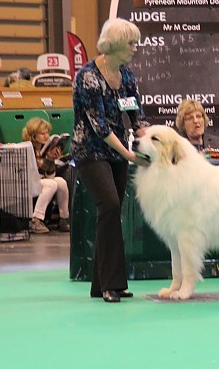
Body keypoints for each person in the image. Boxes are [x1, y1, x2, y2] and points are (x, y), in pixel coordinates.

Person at [70, 18, 149, 303]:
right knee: (110, 204)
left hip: (116, 152)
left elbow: (136, 115)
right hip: (90, 151)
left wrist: (151, 141)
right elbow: (99, 126)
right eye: (131, 43)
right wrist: (129, 154)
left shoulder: (126, 75)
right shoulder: (87, 77)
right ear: (114, 44)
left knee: (112, 214)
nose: (135, 48)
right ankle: (111, 284)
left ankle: (102, 283)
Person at [21, 117, 70, 234]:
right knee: (51, 184)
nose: (46, 136)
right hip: (27, 185)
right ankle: (36, 220)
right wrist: (47, 159)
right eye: (42, 133)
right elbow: (37, 177)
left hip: (41, 183)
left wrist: (51, 159)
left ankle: (64, 218)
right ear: (34, 134)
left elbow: (50, 176)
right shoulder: (28, 150)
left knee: (60, 181)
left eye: (47, 133)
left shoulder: (44, 150)